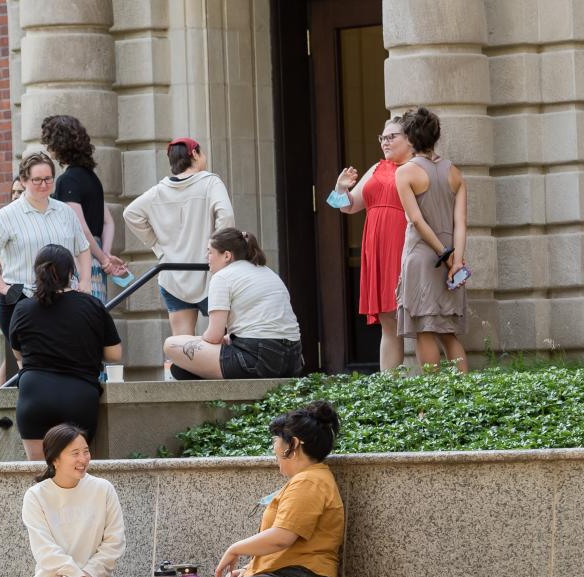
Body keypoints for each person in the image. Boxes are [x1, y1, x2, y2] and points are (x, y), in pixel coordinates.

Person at [170, 402, 343, 577]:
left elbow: (282, 537)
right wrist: (250, 570)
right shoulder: (305, 480)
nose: (274, 449)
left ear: (294, 444)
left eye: (276, 441)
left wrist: (235, 548)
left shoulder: (310, 480)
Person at [0, 152, 94, 391]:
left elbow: (83, 249)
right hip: (22, 300)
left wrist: (86, 281)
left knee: (63, 359)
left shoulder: (64, 212)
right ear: (24, 180)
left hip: (63, 299)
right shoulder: (8, 216)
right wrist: (4, 288)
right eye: (37, 180)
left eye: (48, 179)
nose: (44, 185)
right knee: (29, 365)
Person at [8, 245, 122, 460]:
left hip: (35, 396)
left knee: (40, 474)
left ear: (37, 272)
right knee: (75, 473)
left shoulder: (23, 308)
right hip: (79, 396)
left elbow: (18, 354)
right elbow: (115, 354)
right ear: (71, 273)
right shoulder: (92, 305)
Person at [124, 137, 236, 339]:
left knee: (183, 345)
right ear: (194, 154)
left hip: (173, 275)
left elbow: (130, 214)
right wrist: (218, 252)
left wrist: (157, 247)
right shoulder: (210, 182)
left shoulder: (158, 191)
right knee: (224, 340)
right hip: (209, 273)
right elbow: (226, 216)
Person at [333, 116, 415, 374]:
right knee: (387, 321)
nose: (385, 142)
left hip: (402, 243)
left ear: (410, 139)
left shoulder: (416, 167)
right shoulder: (378, 168)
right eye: (383, 137)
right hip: (376, 247)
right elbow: (346, 207)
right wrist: (340, 187)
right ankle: (388, 389)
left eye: (392, 137)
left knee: (413, 315)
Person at [163, 229, 303, 380]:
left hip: (257, 359)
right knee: (182, 369)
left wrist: (200, 340)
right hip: (294, 360)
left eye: (210, 252)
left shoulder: (223, 277)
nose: (206, 257)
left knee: (171, 344)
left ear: (227, 255)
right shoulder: (267, 271)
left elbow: (214, 337)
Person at [392, 107, 471, 373]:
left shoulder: (404, 173)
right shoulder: (455, 173)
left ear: (411, 138)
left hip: (423, 255)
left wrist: (443, 253)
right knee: (448, 332)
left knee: (425, 329)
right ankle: (464, 396)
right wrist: (456, 259)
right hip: (451, 261)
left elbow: (416, 220)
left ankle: (432, 404)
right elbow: (460, 223)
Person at [21, 424, 124, 577]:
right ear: (55, 459)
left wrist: (86, 576)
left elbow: (114, 544)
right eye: (75, 453)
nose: (83, 459)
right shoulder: (36, 496)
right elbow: (44, 551)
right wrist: (75, 575)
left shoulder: (103, 490)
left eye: (86, 451)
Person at [42, 115, 128, 303]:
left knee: (81, 314)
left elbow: (80, 228)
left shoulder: (67, 181)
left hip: (80, 259)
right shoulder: (92, 178)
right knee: (96, 311)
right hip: (96, 256)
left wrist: (103, 259)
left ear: (58, 145)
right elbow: (108, 222)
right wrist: (104, 255)